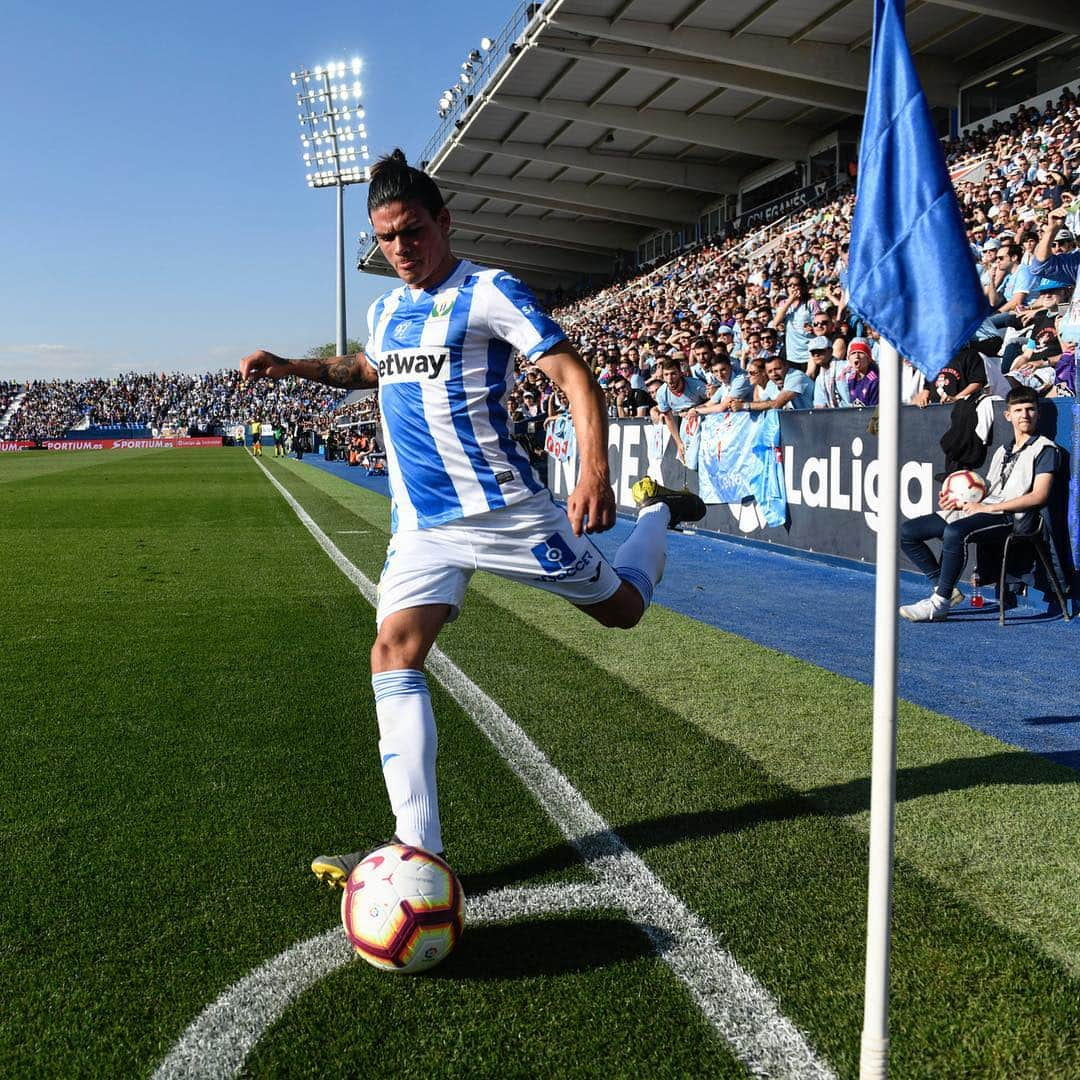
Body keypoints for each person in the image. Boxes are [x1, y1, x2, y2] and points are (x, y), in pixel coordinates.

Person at [239, 150, 705, 882]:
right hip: (422, 525)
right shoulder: (386, 308)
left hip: (506, 513)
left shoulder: (489, 292)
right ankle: (418, 847)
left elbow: (573, 375)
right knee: (392, 651)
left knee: (622, 611)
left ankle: (659, 517)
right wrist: (294, 367)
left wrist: (594, 471)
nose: (401, 248)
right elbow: (369, 369)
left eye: (413, 230)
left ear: (444, 222)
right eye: (387, 237)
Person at [898, 386, 1060, 622]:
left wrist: (988, 508)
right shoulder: (1003, 450)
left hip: (1011, 517)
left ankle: (940, 602)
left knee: (955, 532)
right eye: (1018, 410)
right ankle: (944, 587)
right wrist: (958, 500)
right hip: (986, 508)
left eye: (1030, 409)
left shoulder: (1045, 449)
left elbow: (1039, 496)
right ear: (1008, 415)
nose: (1025, 415)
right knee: (908, 532)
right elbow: (987, 490)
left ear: (1038, 413)